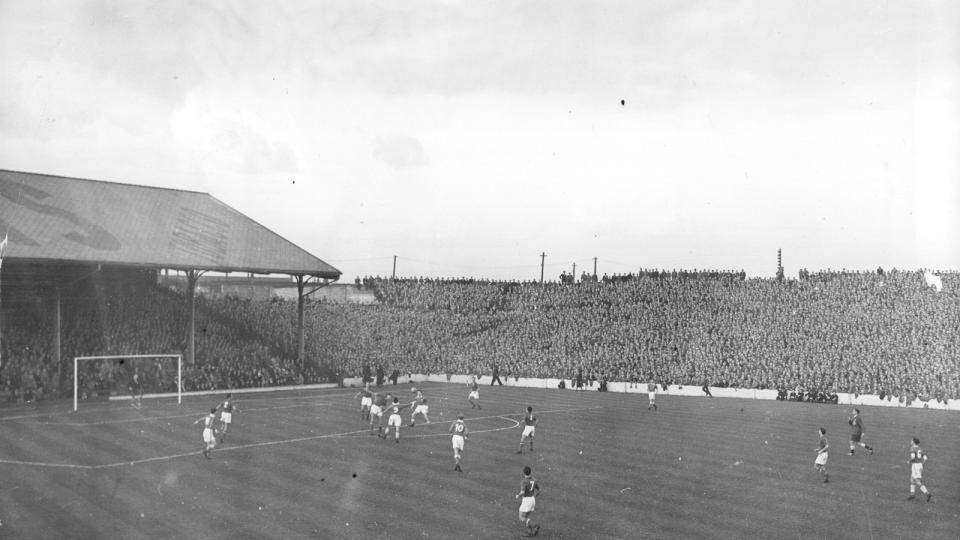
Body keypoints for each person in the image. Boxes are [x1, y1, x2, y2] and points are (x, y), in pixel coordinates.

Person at [515, 465, 541, 537]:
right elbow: (539, 490)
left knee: (521, 517)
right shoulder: (534, 480)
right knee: (526, 517)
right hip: (532, 499)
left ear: (524, 473)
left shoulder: (524, 481)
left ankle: (535, 525)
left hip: (526, 500)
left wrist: (518, 496)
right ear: (530, 472)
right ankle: (529, 533)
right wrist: (534, 496)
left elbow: (522, 492)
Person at [907, 437, 932, 502]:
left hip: (915, 466)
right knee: (912, 479)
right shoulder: (920, 449)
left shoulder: (912, 448)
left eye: (911, 440)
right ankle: (912, 495)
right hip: (919, 465)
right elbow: (926, 458)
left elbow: (912, 457)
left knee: (917, 481)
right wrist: (921, 464)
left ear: (914, 442)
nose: (910, 441)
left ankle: (927, 494)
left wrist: (909, 461)